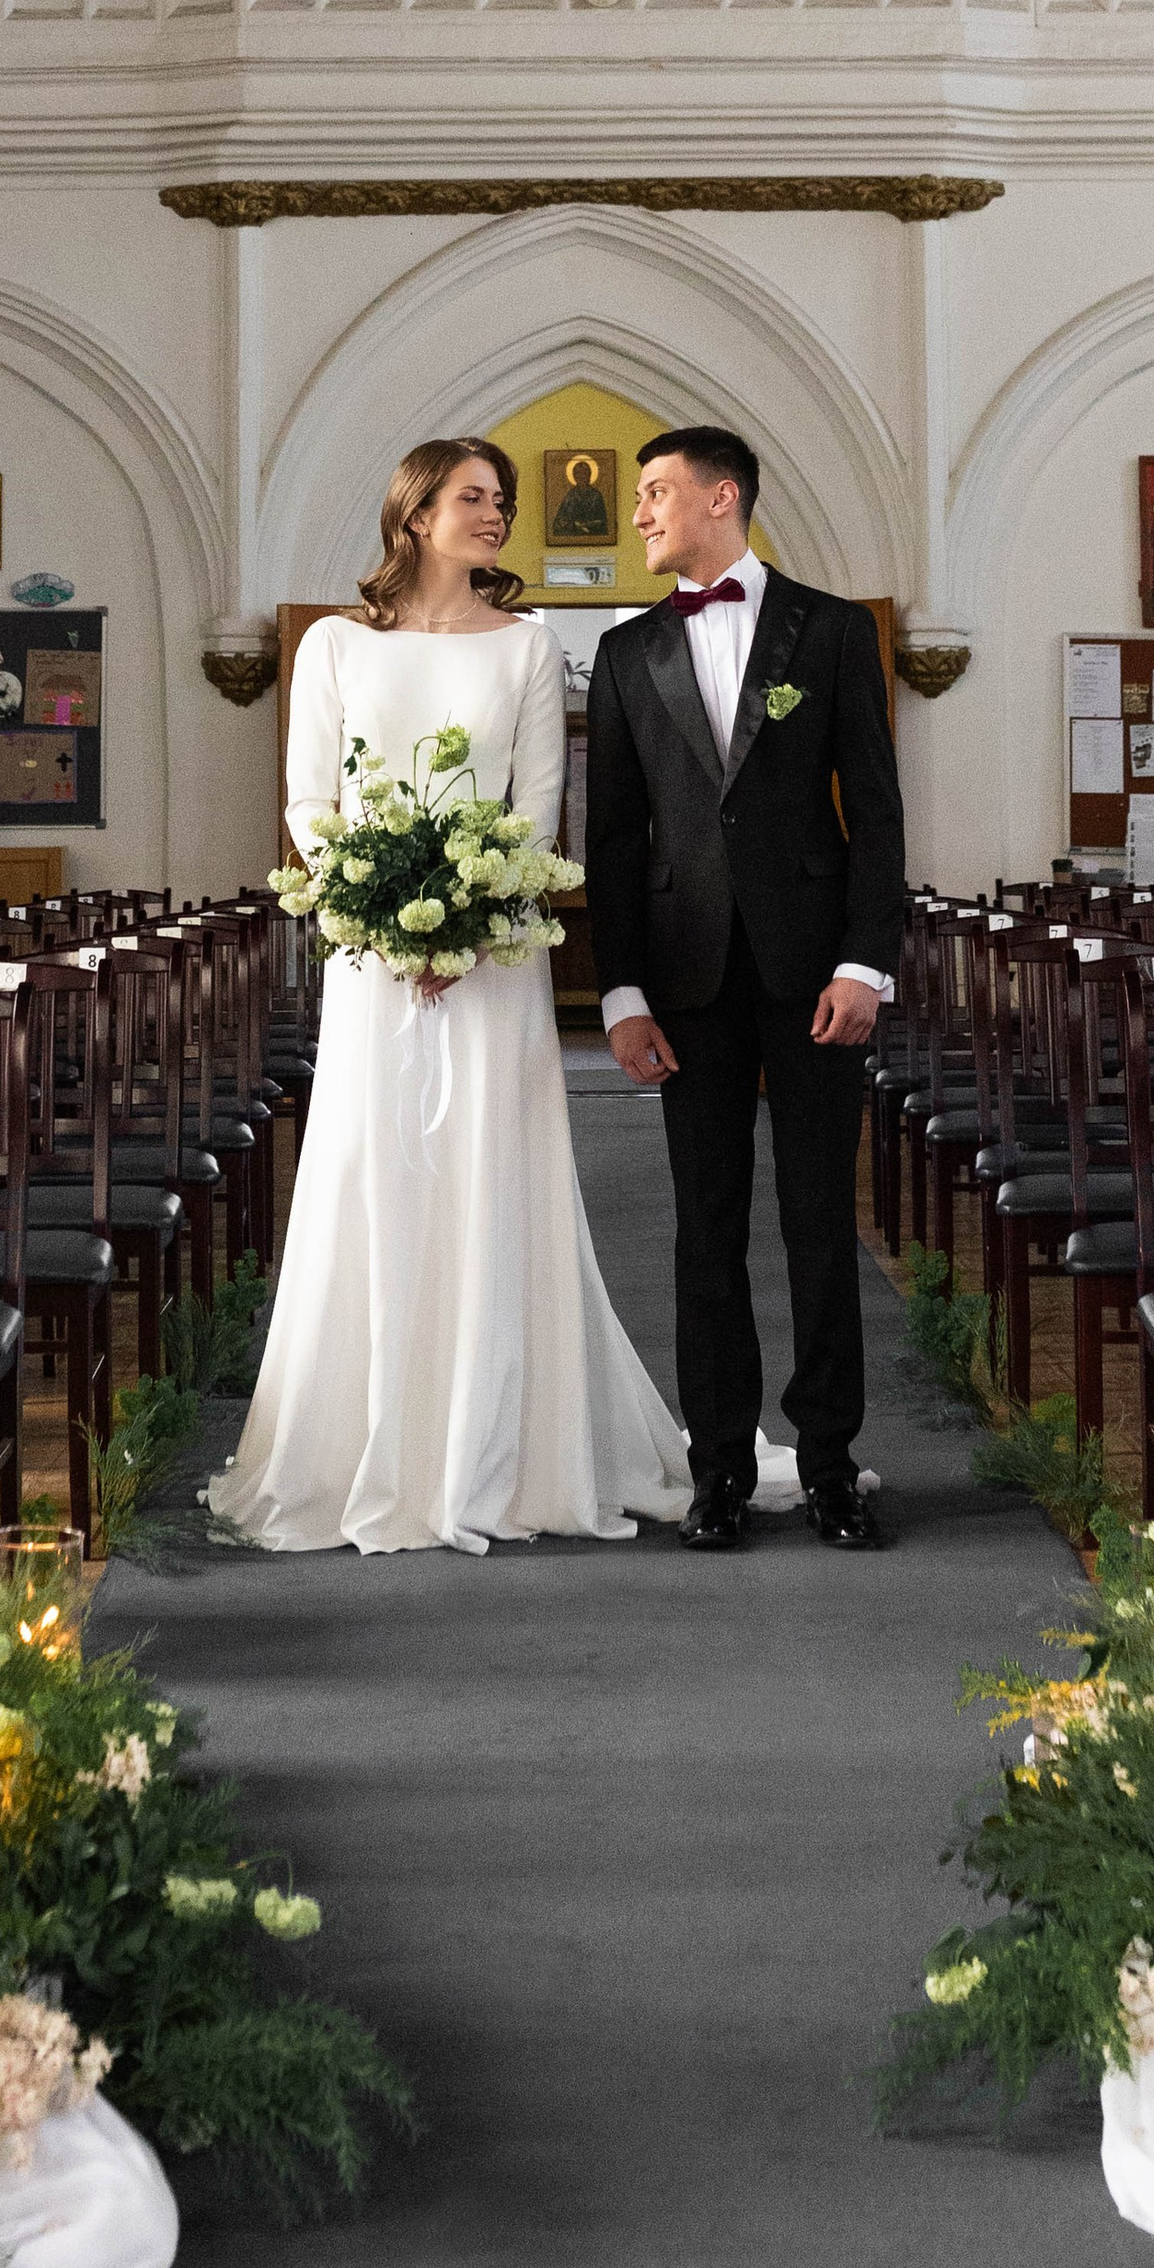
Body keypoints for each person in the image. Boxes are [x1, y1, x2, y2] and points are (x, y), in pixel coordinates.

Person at [206, 438, 689, 1555]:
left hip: (493, 966)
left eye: (501, 501)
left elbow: (534, 808)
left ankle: (503, 1448)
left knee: (488, 1176)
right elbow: (311, 806)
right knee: (372, 1175)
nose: (492, 514)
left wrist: (469, 927)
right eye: (471, 497)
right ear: (413, 511)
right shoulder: (334, 644)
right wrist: (380, 918)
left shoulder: (526, 647)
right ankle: (355, 1447)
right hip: (373, 970)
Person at [586, 426, 907, 1554]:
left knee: (823, 1224)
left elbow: (873, 807)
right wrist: (619, 991)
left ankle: (830, 1466)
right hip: (685, 976)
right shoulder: (626, 655)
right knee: (703, 1228)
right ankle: (717, 1465)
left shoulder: (830, 630)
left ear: (722, 497)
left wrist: (865, 962)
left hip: (815, 969)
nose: (639, 514)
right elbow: (614, 838)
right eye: (636, 496)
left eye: (655, 492)